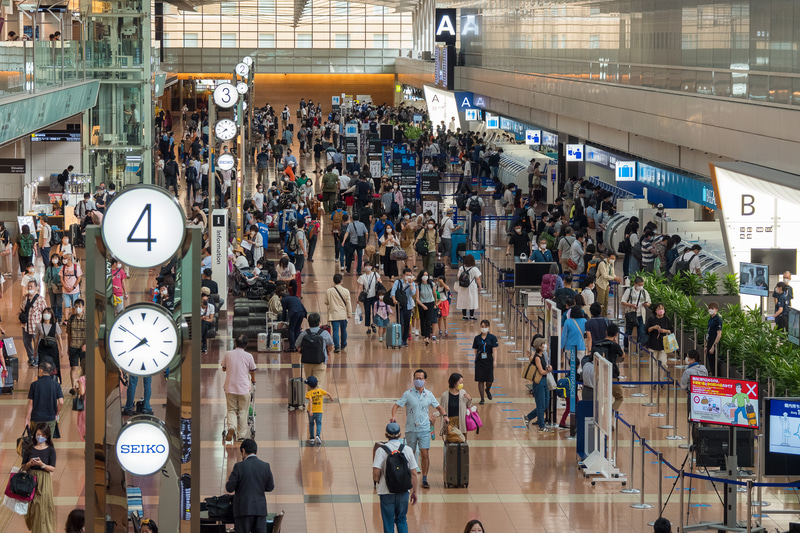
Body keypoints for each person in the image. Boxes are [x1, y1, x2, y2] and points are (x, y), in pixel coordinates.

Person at [390, 369, 448, 489]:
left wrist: (445, 416)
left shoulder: (429, 395)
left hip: (424, 429)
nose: (418, 380)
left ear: (425, 380)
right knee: (410, 453)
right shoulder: (408, 394)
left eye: (421, 378)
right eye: (416, 378)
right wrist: (394, 416)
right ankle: (409, 476)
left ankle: (425, 478)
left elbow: (439, 407)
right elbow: (396, 406)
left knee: (425, 453)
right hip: (411, 429)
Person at [372, 422, 418, 533]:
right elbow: (414, 473)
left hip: (386, 492)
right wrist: (414, 492)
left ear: (386, 434)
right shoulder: (407, 449)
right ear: (400, 434)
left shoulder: (381, 450)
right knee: (402, 519)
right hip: (403, 491)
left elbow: (376, 472)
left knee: (388, 522)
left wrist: (378, 481)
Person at [225, 439, 275, 533]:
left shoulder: (239, 467)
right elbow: (270, 487)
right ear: (256, 451)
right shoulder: (265, 466)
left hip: (243, 510)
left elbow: (229, 488)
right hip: (260, 510)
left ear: (243, 451)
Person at [22, 423, 57, 533]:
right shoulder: (29, 448)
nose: (40, 437)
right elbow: (23, 466)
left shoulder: (50, 450)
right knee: (31, 508)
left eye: (43, 435)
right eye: (38, 434)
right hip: (31, 479)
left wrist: (42, 465)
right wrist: (29, 464)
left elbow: (52, 468)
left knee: (43, 507)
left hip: (44, 481)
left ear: (47, 436)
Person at [221, 334, 257, 442]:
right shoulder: (248, 356)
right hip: (243, 388)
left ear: (235, 343)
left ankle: (231, 426)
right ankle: (241, 435)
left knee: (231, 409)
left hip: (230, 386)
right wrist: (253, 380)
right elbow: (252, 370)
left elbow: (223, 368)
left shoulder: (228, 354)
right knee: (243, 411)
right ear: (246, 345)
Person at [25, 360, 63, 436]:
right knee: (48, 441)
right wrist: (57, 412)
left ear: (41, 370)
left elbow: (30, 403)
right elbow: (61, 402)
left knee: (36, 441)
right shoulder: (56, 385)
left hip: (36, 418)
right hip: (50, 417)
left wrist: (27, 418)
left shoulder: (34, 385)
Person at [296, 312, 334, 388]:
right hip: (320, 362)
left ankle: (310, 399)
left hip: (307, 362)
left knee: (310, 384)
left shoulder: (304, 333)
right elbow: (331, 346)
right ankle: (317, 399)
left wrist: (302, 351)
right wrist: (326, 352)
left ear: (309, 323)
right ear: (319, 323)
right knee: (317, 385)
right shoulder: (324, 333)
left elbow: (297, 345)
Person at [523, 337, 552, 432]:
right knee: (541, 405)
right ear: (539, 346)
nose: (544, 345)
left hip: (544, 381)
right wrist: (548, 370)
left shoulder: (542, 355)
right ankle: (541, 426)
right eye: (542, 344)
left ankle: (528, 417)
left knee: (545, 404)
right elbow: (541, 371)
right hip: (539, 382)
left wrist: (547, 368)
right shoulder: (537, 358)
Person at [21, 280, 47, 367]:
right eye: (29, 287)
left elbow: (45, 312)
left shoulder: (40, 299)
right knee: (26, 342)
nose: (30, 288)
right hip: (26, 325)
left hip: (36, 326)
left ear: (36, 288)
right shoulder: (25, 298)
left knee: (37, 343)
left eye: (32, 286)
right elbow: (22, 309)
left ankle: (37, 359)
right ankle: (31, 356)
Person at [472, 320, 499, 404]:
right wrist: (476, 358)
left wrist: (495, 361)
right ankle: (482, 398)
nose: (484, 328)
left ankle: (487, 389)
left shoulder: (492, 338)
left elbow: (494, 350)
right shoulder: (477, 338)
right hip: (480, 361)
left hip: (489, 360)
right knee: (480, 380)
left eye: (486, 327)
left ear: (488, 327)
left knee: (489, 380)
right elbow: (475, 350)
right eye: (482, 327)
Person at [323, 274, 352, 353]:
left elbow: (326, 302)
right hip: (343, 314)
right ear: (341, 281)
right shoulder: (346, 291)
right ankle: (343, 344)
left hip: (334, 314)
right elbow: (348, 303)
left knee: (335, 330)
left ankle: (336, 346)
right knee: (343, 330)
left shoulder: (329, 291)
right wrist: (349, 313)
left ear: (333, 281)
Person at [35, 307, 63, 383]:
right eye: (45, 313)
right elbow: (36, 339)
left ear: (51, 315)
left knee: (54, 364)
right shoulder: (39, 325)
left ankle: (55, 380)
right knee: (42, 364)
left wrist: (62, 350)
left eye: (48, 313)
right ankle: (42, 380)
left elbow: (59, 337)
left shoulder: (55, 325)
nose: (46, 314)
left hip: (53, 347)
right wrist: (35, 351)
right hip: (42, 347)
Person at [621, 276, 651, 349]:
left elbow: (649, 303)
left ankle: (639, 348)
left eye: (642, 285)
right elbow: (623, 302)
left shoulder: (644, 292)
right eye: (639, 285)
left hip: (641, 315)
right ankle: (626, 347)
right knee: (628, 332)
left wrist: (646, 304)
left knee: (641, 332)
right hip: (631, 314)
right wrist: (631, 305)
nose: (641, 287)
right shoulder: (629, 291)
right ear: (635, 284)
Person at [391, 268, 417, 347]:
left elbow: (413, 293)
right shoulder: (398, 282)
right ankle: (399, 338)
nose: (408, 277)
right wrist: (394, 299)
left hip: (408, 305)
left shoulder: (412, 284)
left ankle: (404, 339)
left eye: (410, 275)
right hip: (399, 305)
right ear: (403, 275)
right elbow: (393, 291)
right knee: (400, 322)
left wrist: (411, 284)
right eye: (406, 275)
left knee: (406, 323)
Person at [304, 375, 334, 445]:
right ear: (317, 384)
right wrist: (331, 398)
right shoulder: (320, 391)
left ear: (309, 385)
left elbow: (310, 401)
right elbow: (328, 393)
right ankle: (318, 435)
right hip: (319, 411)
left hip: (311, 412)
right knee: (319, 423)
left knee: (311, 424)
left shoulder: (309, 393)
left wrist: (310, 410)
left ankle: (311, 438)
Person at [645, 303, 673, 367]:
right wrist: (653, 327)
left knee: (663, 363)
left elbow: (671, 330)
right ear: (655, 310)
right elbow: (647, 330)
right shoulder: (651, 319)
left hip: (664, 345)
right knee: (653, 364)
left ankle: (661, 376)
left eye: (662, 309)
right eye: (659, 309)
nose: (661, 310)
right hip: (653, 344)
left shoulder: (667, 320)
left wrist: (665, 331)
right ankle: (653, 377)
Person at [456, 254, 482, 320]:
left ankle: (464, 316)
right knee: (472, 300)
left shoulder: (461, 268)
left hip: (463, 287)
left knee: (463, 300)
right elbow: (477, 278)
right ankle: (471, 316)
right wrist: (480, 286)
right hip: (471, 287)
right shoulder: (474, 269)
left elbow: (458, 277)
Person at [358, 264, 382, 335]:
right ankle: (368, 327)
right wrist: (358, 297)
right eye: (366, 266)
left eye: (369, 266)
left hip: (374, 296)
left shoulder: (375, 274)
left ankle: (373, 324)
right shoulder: (362, 277)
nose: (367, 267)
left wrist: (379, 281)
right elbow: (360, 288)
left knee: (375, 312)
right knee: (367, 312)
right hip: (366, 297)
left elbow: (380, 282)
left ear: (371, 267)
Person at [415, 270, 438, 344]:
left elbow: (435, 294)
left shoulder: (431, 284)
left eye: (426, 275)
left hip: (430, 303)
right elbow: (417, 299)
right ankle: (424, 335)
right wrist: (423, 305)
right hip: (421, 304)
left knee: (429, 320)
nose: (425, 276)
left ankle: (427, 337)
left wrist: (435, 303)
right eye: (424, 275)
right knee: (423, 320)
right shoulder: (418, 286)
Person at [595, 252, 621, 316]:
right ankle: (600, 316)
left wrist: (616, 278)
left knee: (606, 301)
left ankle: (605, 316)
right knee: (601, 302)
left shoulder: (611, 264)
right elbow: (605, 276)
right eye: (612, 258)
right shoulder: (602, 264)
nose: (613, 260)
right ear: (608, 257)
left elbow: (612, 273)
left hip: (606, 284)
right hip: (600, 284)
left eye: (614, 259)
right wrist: (614, 278)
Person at [59, 253, 82, 324]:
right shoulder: (63, 268)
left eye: (65, 258)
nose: (63, 260)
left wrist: (73, 287)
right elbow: (61, 278)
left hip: (75, 291)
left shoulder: (76, 267)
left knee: (74, 306)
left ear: (69, 259)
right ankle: (66, 320)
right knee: (66, 305)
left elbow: (79, 278)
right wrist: (65, 286)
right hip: (65, 291)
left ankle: (73, 318)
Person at [43, 254, 63, 323]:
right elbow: (45, 279)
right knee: (53, 303)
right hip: (51, 288)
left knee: (59, 303)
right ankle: (54, 317)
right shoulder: (49, 268)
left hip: (60, 288)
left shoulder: (62, 268)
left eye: (56, 258)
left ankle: (59, 317)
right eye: (53, 258)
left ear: (59, 259)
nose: (54, 260)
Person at [705, 302, 722, 376]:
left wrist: (713, 346)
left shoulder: (718, 320)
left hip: (714, 343)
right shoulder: (710, 320)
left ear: (716, 310)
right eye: (709, 309)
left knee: (714, 362)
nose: (710, 310)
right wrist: (706, 345)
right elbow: (708, 332)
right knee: (710, 362)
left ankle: (716, 377)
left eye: (712, 309)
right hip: (709, 341)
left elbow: (719, 334)